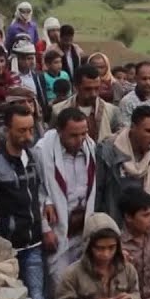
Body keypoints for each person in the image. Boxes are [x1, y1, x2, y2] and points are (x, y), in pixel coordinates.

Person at [0, 107, 46, 299]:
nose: (28, 136)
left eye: (30, 130)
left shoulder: (33, 158)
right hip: (9, 249)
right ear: (8, 130)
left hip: (33, 242)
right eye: (21, 130)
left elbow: (40, 192)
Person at [37, 107, 101, 287]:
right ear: (59, 132)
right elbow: (38, 189)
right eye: (74, 135)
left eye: (84, 133)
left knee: (84, 282)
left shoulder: (90, 147)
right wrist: (45, 228)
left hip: (82, 228)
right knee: (60, 284)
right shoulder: (42, 151)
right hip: (58, 228)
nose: (80, 139)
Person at [97, 105, 150, 226]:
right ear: (133, 127)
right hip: (113, 224)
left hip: (142, 227)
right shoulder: (108, 151)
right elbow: (98, 192)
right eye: (149, 131)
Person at [53, 64, 117, 142]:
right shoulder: (58, 110)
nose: (93, 94)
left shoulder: (112, 111)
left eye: (96, 88)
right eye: (88, 89)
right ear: (76, 87)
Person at [115, 61, 150, 145]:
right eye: (144, 79)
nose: (148, 82)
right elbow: (125, 132)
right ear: (136, 78)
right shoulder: (127, 102)